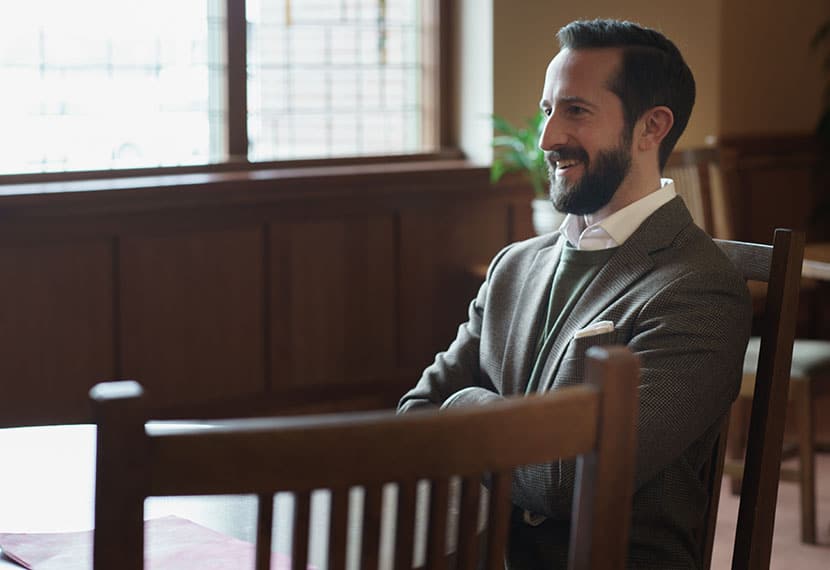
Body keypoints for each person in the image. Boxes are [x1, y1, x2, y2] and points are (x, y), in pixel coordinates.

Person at [398, 18, 753, 569]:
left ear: (651, 127)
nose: (547, 138)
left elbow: (576, 483)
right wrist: (506, 431)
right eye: (547, 110)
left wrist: (466, 405)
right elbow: (415, 415)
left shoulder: (701, 291)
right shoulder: (514, 265)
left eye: (576, 111)